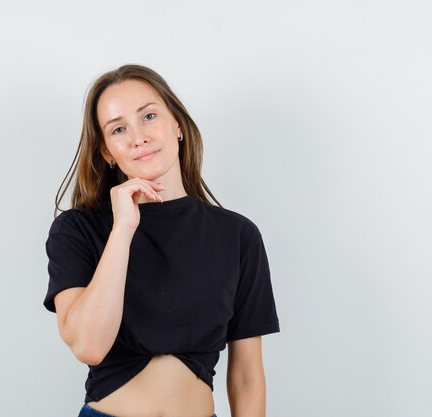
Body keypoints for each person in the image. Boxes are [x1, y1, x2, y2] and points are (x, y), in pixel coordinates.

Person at [43, 64, 280, 417]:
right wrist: (123, 228)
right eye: (119, 128)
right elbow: (89, 345)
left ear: (177, 124)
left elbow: (247, 376)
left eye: (149, 116)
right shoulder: (77, 230)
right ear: (107, 151)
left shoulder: (237, 235)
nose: (138, 137)